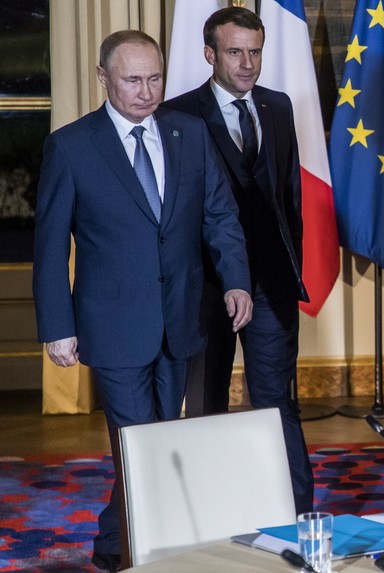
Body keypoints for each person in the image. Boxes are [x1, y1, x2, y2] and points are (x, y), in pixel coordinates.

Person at [32, 30, 253, 572]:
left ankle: (113, 541)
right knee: (141, 442)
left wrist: (236, 280)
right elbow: (50, 244)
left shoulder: (189, 133)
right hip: (112, 325)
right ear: (104, 78)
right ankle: (148, 555)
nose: (146, 91)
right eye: (132, 79)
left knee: (158, 438)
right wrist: (56, 326)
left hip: (179, 318)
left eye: (154, 78)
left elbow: (219, 214)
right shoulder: (71, 146)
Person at [161, 6, 313, 516]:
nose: (247, 63)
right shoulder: (177, 114)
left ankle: (294, 513)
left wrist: (291, 265)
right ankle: (208, 515)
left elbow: (288, 196)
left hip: (270, 284)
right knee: (207, 405)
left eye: (255, 51)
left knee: (277, 402)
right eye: (234, 51)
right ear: (209, 54)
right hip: (206, 290)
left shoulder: (279, 106)